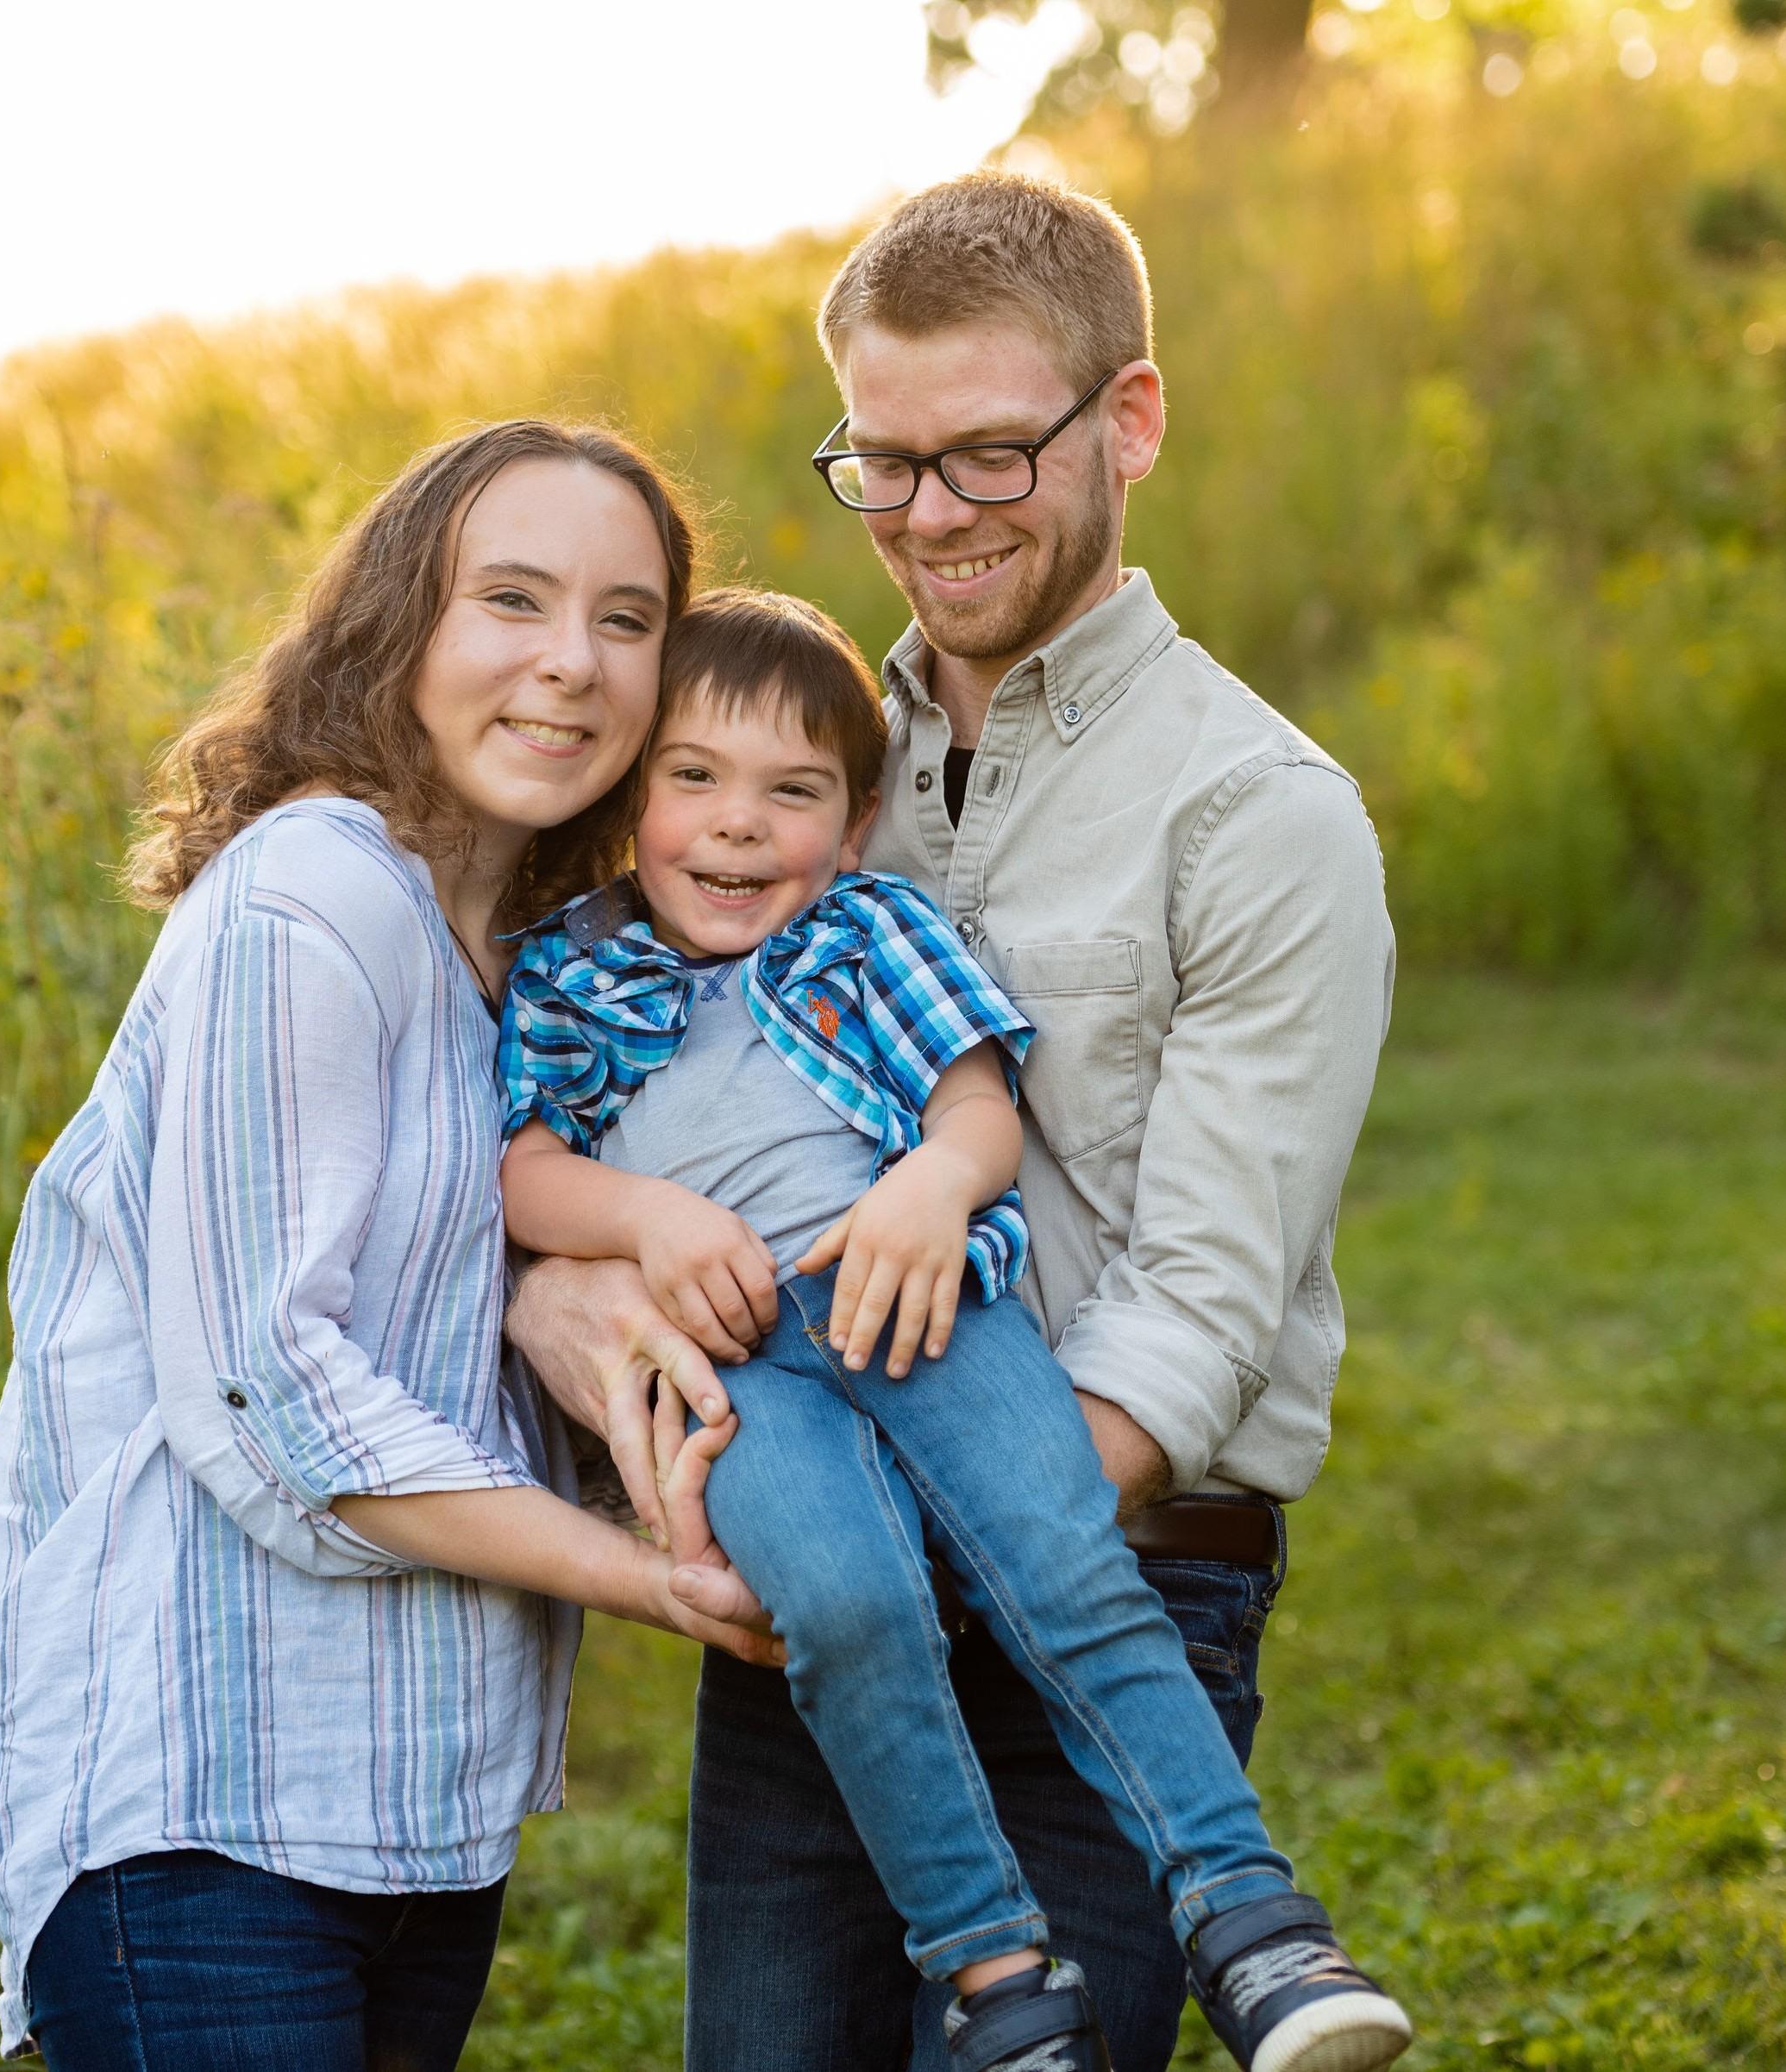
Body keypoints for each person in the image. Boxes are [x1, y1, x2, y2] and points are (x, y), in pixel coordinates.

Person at [503, 172, 1398, 2072]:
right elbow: (596, 1093)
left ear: (1128, 420)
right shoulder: (790, 753)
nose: (927, 517)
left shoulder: (1259, 813)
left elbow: (1204, 1301)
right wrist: (565, 1301)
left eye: (988, 456)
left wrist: (964, 1530)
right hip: (823, 1554)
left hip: (1116, 1561)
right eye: (883, 463)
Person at [0, 420, 777, 2072]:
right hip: (204, 1812)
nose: (573, 662)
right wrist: (642, 1577)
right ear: (399, 623)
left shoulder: (533, 979)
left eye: (625, 620)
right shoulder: (308, 896)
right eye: (513, 600)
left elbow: (456, 1338)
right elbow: (270, 1390)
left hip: (416, 1813)